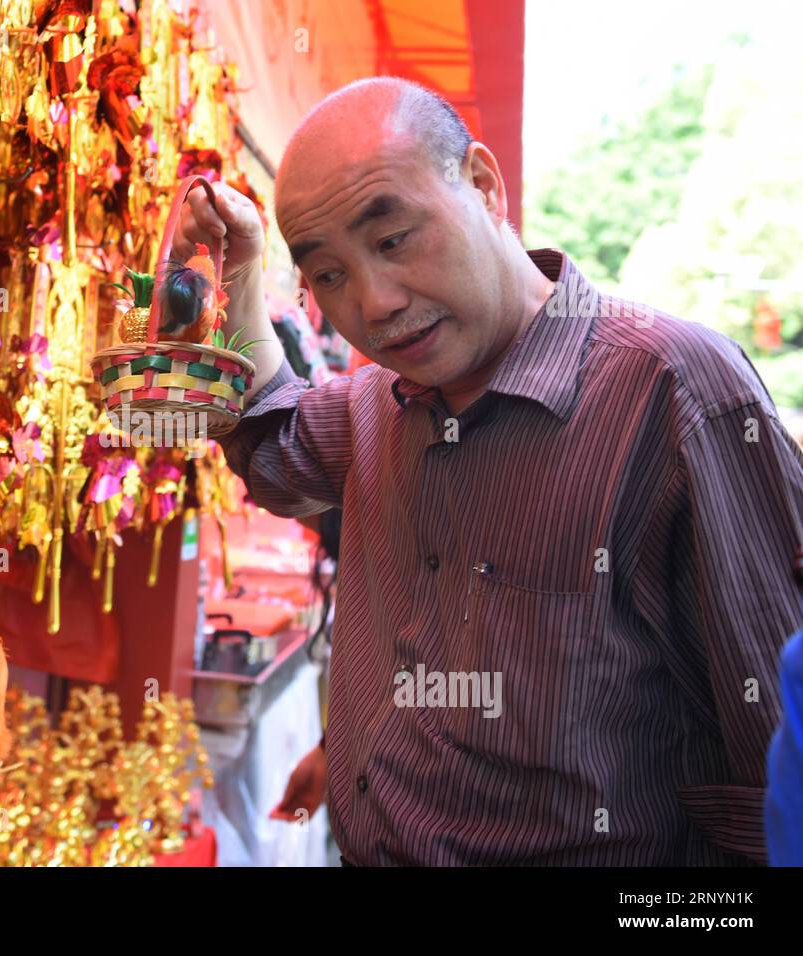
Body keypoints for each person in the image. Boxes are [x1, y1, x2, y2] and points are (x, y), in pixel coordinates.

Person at [178, 77, 803, 865]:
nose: (374, 302)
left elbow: (775, 756)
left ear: (483, 184)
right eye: (327, 274)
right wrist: (236, 280)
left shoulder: (676, 392)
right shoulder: (380, 402)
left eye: (394, 238)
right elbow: (275, 446)